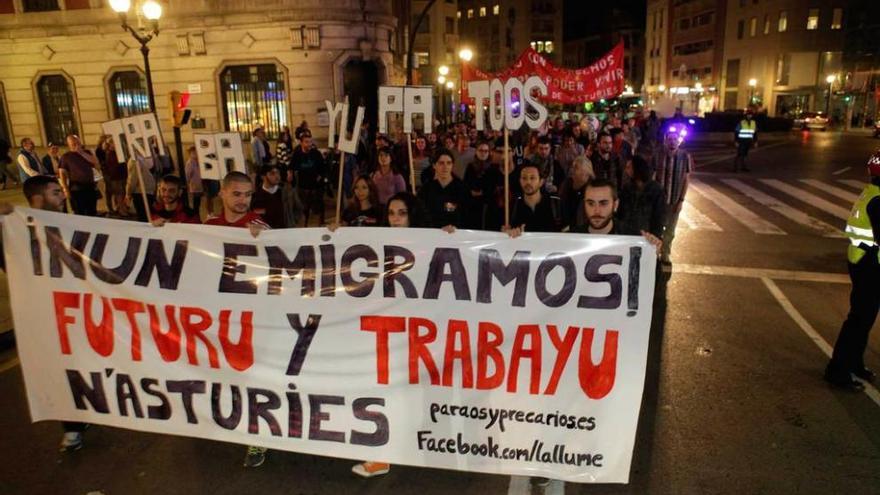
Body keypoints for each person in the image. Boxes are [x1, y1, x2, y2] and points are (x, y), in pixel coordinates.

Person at [0, 176, 89, 451]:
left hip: (82, 312)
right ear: (37, 198)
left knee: (90, 367)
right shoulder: (13, 232)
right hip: (45, 319)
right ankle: (71, 426)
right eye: (55, 192)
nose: (62, 196)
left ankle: (89, 411)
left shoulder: (71, 225)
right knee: (61, 370)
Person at [351, 190, 426, 478]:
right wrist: (333, 234)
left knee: (410, 395)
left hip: (417, 333)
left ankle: (410, 446)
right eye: (392, 213)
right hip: (384, 331)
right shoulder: (376, 242)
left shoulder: (427, 243)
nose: (395, 219)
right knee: (382, 391)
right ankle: (382, 454)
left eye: (402, 213)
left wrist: (450, 237)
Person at [203, 172, 269, 467]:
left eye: (248, 195)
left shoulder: (261, 227)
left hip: (251, 320)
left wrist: (265, 241)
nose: (243, 201)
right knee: (222, 378)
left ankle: (257, 439)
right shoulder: (208, 227)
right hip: (215, 319)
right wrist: (159, 231)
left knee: (251, 379)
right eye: (237, 194)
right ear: (223, 193)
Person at [824, 150, 880, 391]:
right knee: (859, 319)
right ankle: (838, 371)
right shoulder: (879, 200)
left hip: (863, 261)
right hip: (870, 265)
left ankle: (855, 363)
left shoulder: (873, 192)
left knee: (864, 318)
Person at [653, 127, 693, 264]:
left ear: (679, 141)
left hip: (675, 199)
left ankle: (665, 253)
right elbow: (652, 177)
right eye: (670, 139)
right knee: (657, 228)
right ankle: (655, 252)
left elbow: (686, 179)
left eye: (675, 139)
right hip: (659, 201)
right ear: (665, 141)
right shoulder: (657, 155)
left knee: (670, 229)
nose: (672, 142)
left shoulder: (685, 156)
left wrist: (681, 200)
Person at [505, 162, 563, 236]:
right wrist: (508, 232)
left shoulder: (555, 204)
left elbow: (567, 231)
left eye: (532, 178)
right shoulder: (513, 206)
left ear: (541, 182)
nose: (528, 182)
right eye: (524, 178)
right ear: (520, 181)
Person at [418, 148, 469, 230]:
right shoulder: (426, 189)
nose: (445, 167)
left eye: (449, 163)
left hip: (455, 233)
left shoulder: (461, 188)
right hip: (432, 233)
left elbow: (467, 214)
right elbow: (421, 214)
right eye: (441, 163)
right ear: (434, 165)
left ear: (452, 165)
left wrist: (454, 227)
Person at [617, 155, 665, 239]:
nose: (626, 170)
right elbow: (621, 212)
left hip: (647, 235)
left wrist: (656, 236)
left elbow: (659, 216)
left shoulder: (656, 189)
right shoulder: (627, 188)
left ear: (637, 169)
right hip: (627, 233)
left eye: (629, 167)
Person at [463, 140, 505, 231]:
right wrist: (471, 191)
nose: (483, 153)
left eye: (486, 151)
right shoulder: (470, 166)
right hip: (472, 204)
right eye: (481, 150)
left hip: (488, 204)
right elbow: (466, 184)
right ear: (476, 151)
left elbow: (494, 186)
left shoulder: (494, 168)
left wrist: (483, 192)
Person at [290, 131, 327, 226]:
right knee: (304, 208)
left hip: (316, 186)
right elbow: (291, 167)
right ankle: (305, 224)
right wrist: (290, 175)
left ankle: (319, 224)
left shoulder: (316, 153)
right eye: (306, 142)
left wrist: (320, 176)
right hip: (303, 187)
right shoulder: (297, 154)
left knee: (317, 208)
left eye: (310, 142)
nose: (309, 144)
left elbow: (323, 168)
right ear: (301, 143)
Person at [58, 134, 100, 216]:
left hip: (90, 186)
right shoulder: (65, 157)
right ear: (69, 145)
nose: (76, 145)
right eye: (73, 144)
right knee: (79, 212)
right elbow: (62, 174)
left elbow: (95, 162)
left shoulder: (87, 152)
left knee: (92, 211)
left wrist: (82, 153)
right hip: (76, 188)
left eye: (77, 143)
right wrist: (65, 189)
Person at [558, 155, 594, 230]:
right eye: (572, 167)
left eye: (576, 168)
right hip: (565, 227)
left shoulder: (593, 190)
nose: (572, 170)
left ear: (586, 172)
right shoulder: (566, 185)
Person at [251, 164, 287, 229]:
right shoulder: (256, 197)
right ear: (263, 177)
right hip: (267, 234)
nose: (277, 176)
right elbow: (256, 217)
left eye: (278, 173)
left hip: (287, 231)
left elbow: (297, 210)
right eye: (272, 174)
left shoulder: (286, 192)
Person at [124, 154, 157, 222]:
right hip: (147, 190)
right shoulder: (140, 158)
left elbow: (132, 179)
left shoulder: (134, 160)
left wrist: (128, 193)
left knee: (143, 217)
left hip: (140, 192)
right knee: (146, 216)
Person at [102, 139, 126, 216]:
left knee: (121, 194)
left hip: (121, 175)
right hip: (115, 177)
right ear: (111, 144)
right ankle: (121, 210)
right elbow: (112, 166)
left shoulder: (117, 152)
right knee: (118, 194)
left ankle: (120, 208)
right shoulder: (110, 153)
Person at [184, 146, 203, 216]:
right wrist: (187, 183)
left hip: (199, 185)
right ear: (190, 153)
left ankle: (196, 214)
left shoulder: (198, 161)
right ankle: (195, 215)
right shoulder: (190, 163)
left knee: (198, 202)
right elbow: (187, 175)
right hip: (194, 186)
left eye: (196, 152)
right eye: (193, 152)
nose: (195, 154)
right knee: (195, 202)